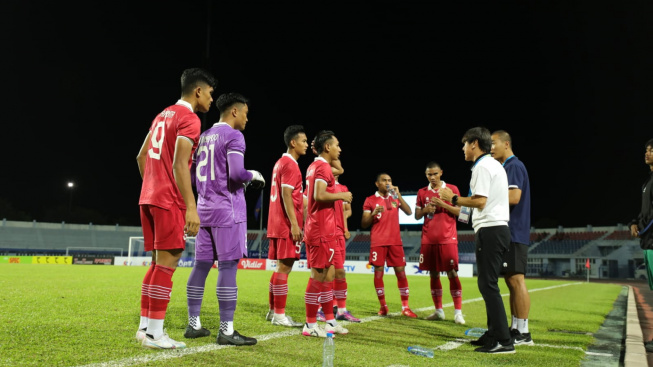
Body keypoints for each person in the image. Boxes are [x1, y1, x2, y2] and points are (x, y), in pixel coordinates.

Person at [135, 68, 217, 349]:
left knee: (158, 263)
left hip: (149, 196)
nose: (210, 97)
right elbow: (180, 164)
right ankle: (155, 335)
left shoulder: (163, 114)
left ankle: (145, 328)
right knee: (168, 263)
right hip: (168, 200)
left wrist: (153, 184)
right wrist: (190, 207)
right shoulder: (190, 119)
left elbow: (141, 156)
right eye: (209, 92)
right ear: (198, 91)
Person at [184, 93, 265, 346]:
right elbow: (237, 174)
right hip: (227, 211)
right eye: (245, 113)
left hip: (204, 209)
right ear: (234, 112)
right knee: (228, 267)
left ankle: (193, 324)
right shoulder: (234, 136)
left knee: (201, 266)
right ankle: (226, 330)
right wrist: (254, 175)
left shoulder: (204, 136)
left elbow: (194, 174)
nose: (247, 118)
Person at [439, 126, 515, 354]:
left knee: (487, 284)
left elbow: (480, 202)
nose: (462, 149)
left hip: (491, 229)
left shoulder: (483, 166)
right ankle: (493, 334)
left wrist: (452, 197)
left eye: (464, 144)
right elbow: (477, 207)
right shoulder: (492, 165)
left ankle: (504, 339)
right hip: (494, 228)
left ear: (474, 143)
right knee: (487, 283)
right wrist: (447, 205)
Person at [302, 130, 352, 337]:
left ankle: (330, 321)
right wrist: (342, 195)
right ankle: (310, 324)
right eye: (337, 145)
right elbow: (319, 195)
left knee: (328, 276)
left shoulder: (317, 166)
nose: (340, 149)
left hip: (326, 230)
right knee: (318, 276)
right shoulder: (321, 167)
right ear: (327, 147)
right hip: (320, 230)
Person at [491, 130, 534, 346]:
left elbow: (514, 197)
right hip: (511, 231)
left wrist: (487, 200)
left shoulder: (513, 166)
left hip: (515, 231)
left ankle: (524, 332)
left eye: (493, 143)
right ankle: (516, 326)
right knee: (510, 280)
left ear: (506, 143)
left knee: (517, 280)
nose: (490, 148)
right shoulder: (505, 167)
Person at [264, 124, 308, 328]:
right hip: (285, 223)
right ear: (293, 143)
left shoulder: (279, 162)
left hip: (275, 222)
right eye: (304, 141)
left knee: (280, 267)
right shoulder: (291, 164)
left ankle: (273, 311)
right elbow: (287, 194)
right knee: (285, 267)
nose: (306, 145)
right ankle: (280, 315)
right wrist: (294, 224)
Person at [414, 161, 465, 325]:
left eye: (435, 174)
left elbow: (463, 214)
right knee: (433, 273)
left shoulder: (452, 190)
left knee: (452, 273)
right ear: (426, 175)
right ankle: (439, 311)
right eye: (429, 174)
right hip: (428, 240)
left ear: (441, 173)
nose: (432, 177)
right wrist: (425, 210)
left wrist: (443, 204)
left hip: (447, 239)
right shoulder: (422, 192)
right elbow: (416, 215)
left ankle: (458, 313)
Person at [360, 173, 417, 318]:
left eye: (390, 180)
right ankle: (383, 306)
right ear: (377, 184)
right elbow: (364, 224)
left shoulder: (394, 198)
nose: (388, 182)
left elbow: (409, 212)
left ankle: (405, 307)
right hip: (378, 242)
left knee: (401, 272)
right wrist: (373, 214)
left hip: (395, 242)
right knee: (378, 273)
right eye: (384, 180)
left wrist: (398, 195)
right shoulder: (370, 200)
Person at [627, 138, 653, 352]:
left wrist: (643, 228)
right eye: (646, 149)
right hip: (648, 242)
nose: (647, 153)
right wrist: (634, 223)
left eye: (652, 150)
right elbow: (645, 213)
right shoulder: (647, 181)